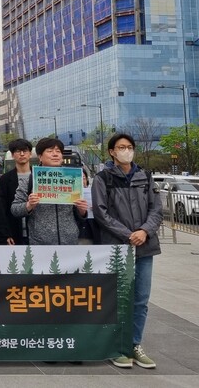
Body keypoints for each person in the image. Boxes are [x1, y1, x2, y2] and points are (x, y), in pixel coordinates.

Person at [92, 133, 162, 369]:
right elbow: (101, 214)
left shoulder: (146, 176)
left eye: (129, 147)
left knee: (141, 299)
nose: (126, 150)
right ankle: (116, 345)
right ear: (111, 151)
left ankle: (134, 344)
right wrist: (128, 234)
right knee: (118, 298)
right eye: (121, 147)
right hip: (116, 247)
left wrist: (144, 231)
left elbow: (157, 210)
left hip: (144, 246)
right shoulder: (103, 178)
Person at [11, 138, 88, 245]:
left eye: (58, 151)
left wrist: (82, 211)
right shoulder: (30, 180)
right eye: (50, 151)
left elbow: (80, 215)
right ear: (40, 157)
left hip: (70, 242)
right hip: (40, 243)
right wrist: (29, 205)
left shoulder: (72, 178)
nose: (55, 154)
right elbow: (15, 209)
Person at [0, 138, 33, 245]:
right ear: (13, 155)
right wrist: (6, 233)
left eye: (25, 151)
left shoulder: (38, 176)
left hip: (35, 232)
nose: (22, 154)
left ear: (30, 154)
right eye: (18, 151)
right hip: (14, 231)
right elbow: (2, 208)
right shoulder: (5, 179)